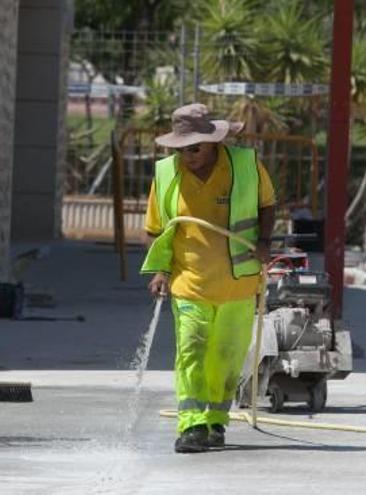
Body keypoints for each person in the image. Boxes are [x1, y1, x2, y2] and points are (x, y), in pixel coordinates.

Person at [142, 103, 276, 453]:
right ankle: (192, 426)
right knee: (191, 349)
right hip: (190, 283)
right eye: (181, 149)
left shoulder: (245, 165)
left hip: (238, 283)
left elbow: (267, 205)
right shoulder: (166, 174)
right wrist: (160, 270)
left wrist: (264, 243)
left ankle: (217, 421)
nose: (188, 156)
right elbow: (157, 229)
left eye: (195, 148)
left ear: (214, 142)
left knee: (227, 356)